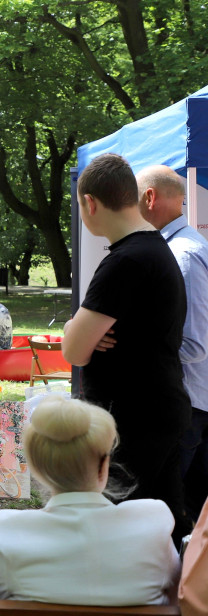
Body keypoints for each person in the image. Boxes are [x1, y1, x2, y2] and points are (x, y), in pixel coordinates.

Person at [63, 153, 190, 542]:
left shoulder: (126, 261)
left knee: (117, 530)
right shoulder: (153, 250)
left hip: (133, 420)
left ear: (90, 203)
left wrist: (75, 328)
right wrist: (80, 330)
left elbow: (73, 351)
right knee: (162, 529)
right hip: (158, 409)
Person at [0, 396, 179, 605]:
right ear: (104, 465)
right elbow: (175, 599)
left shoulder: (5, 533)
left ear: (37, 469)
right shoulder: (153, 523)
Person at [136, 165, 208, 517]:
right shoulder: (185, 248)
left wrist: (130, 345)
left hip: (188, 407)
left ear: (149, 198)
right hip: (191, 404)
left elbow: (194, 344)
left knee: (166, 514)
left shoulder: (182, 254)